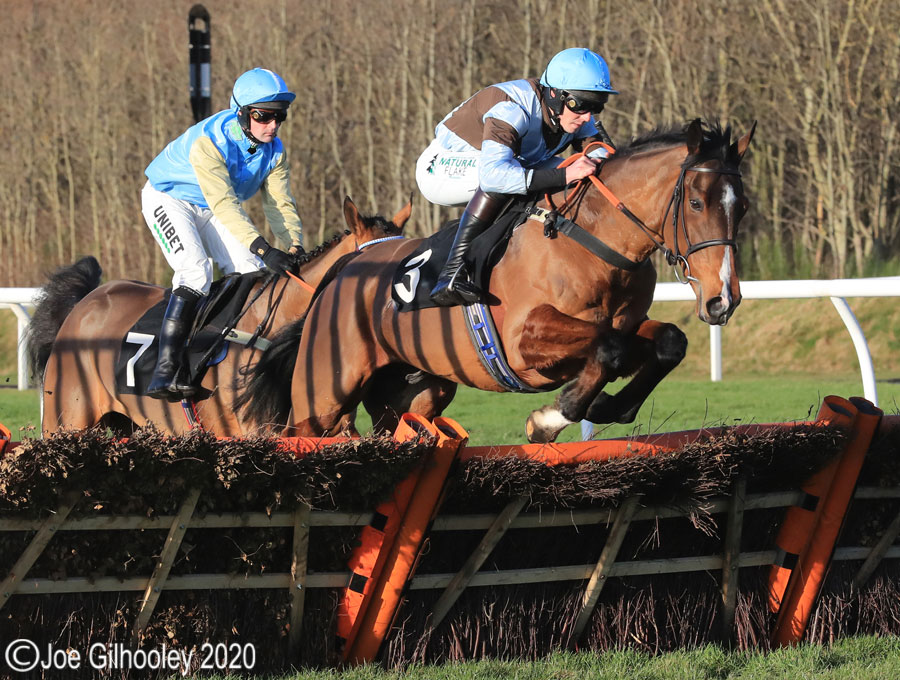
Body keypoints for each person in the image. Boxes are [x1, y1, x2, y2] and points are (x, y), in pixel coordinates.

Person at [141, 67, 304, 400]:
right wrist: (264, 247)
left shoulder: (275, 151)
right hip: (169, 198)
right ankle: (165, 369)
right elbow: (226, 206)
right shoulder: (210, 141)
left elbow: (279, 205)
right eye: (263, 116)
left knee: (251, 271)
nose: (272, 125)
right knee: (194, 268)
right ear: (241, 113)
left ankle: (214, 345)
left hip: (210, 206)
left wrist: (294, 245)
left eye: (279, 117)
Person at [415, 47, 619, 306]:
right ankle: (451, 274)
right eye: (580, 105)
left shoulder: (571, 111)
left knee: (578, 169)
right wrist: (564, 175)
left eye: (596, 106)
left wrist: (601, 160)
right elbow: (493, 177)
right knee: (513, 175)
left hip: (506, 163)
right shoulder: (512, 109)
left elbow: (599, 153)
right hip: (440, 168)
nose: (587, 116)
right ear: (554, 94)